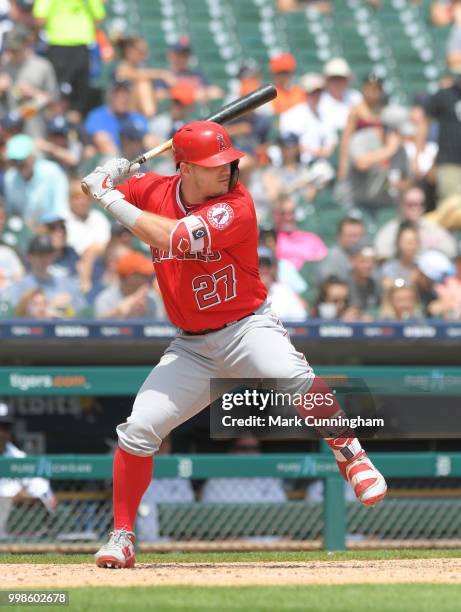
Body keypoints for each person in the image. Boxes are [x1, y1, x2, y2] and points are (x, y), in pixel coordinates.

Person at [82, 120, 387, 569]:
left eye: (228, 161)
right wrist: (109, 177)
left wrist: (107, 194)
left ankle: (351, 454)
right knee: (138, 429)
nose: (226, 169)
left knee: (293, 377)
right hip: (192, 346)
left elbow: (173, 237)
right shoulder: (157, 189)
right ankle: (123, 535)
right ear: (184, 168)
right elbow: (107, 190)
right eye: (213, 164)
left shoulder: (236, 205)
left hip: (246, 327)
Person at [33, 0, 105, 116]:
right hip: (80, 45)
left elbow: (40, 18)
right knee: (77, 101)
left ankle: (57, 124)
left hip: (57, 44)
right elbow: (98, 17)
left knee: (56, 96)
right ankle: (70, 125)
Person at [0, 402, 56, 539]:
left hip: (14, 518)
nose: (2, 432)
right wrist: (11, 496)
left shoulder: (18, 456)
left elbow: (45, 493)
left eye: (6, 427)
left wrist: (31, 496)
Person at [1, 234, 86, 316]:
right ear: (29, 256)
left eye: (48, 254)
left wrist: (71, 306)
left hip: (63, 328)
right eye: (40, 254)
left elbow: (84, 311)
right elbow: (12, 314)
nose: (44, 259)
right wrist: (49, 306)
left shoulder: (66, 283)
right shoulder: (20, 286)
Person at [0, 24, 59, 137]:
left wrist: (33, 92)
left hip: (34, 128)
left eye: (16, 49)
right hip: (8, 131)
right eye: (10, 49)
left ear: (27, 44)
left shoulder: (42, 66)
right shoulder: (3, 66)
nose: (12, 52)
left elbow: (55, 103)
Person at [3, 133, 70, 230]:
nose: (19, 164)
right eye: (15, 160)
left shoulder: (52, 172)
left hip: (52, 230)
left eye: (22, 159)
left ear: (33, 156)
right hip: (22, 233)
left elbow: (61, 210)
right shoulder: (9, 178)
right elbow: (11, 212)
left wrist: (44, 227)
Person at [374, 187, 456, 260]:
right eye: (411, 204)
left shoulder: (430, 227)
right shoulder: (391, 229)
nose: (415, 208)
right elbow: (381, 253)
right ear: (401, 205)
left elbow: (451, 250)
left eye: (420, 204)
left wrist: (429, 249)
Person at [279, 73, 338, 171]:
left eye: (318, 92)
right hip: (298, 165)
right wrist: (318, 152)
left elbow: (332, 141)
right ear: (305, 93)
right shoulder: (292, 114)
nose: (316, 96)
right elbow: (289, 145)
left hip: (320, 164)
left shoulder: (325, 115)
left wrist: (324, 152)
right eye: (312, 93)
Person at [84, 80, 150, 157]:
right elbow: (92, 141)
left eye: (125, 93)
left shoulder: (136, 117)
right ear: (110, 96)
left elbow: (147, 138)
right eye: (118, 94)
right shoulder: (97, 116)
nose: (122, 98)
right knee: (99, 141)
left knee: (149, 140)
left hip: (135, 158)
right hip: (108, 160)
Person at [94, 250, 165, 319]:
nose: (147, 278)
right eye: (144, 275)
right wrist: (118, 312)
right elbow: (97, 327)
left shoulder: (152, 299)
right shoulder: (106, 299)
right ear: (130, 277)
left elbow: (161, 327)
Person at [258, 246, 307, 321]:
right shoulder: (240, 294)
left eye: (267, 265)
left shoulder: (285, 292)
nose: (263, 269)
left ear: (274, 268)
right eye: (258, 265)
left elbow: (301, 324)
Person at [318, 57, 362, 133]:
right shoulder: (319, 100)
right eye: (334, 78)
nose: (337, 82)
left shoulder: (355, 97)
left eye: (341, 78)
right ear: (327, 80)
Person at [318, 216, 365, 281]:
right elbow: (331, 287)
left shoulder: (366, 255)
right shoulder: (333, 258)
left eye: (359, 236)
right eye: (350, 236)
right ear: (339, 236)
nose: (355, 240)